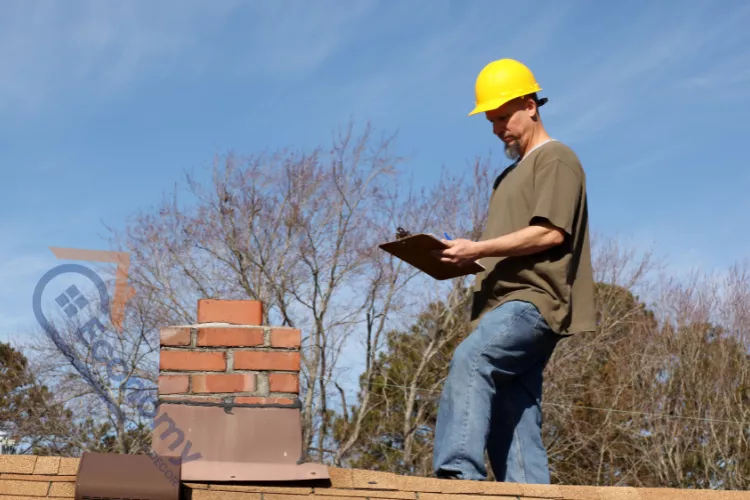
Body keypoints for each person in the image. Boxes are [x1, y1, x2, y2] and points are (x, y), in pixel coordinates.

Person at [431, 58, 596, 484]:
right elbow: (509, 246)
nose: (497, 128)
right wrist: (465, 258)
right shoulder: (507, 177)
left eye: (504, 117)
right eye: (491, 121)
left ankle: (457, 478)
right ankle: (527, 490)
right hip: (501, 304)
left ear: (530, 105)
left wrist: (480, 247)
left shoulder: (556, 158)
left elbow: (550, 234)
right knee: (513, 409)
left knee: (472, 359)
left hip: (532, 302)